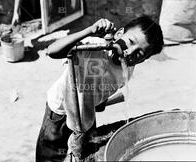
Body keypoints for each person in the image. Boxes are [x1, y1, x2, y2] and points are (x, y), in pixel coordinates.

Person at [36, 15, 164, 162]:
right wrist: (89, 31)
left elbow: (105, 85)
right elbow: (52, 51)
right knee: (51, 155)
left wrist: (100, 101)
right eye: (130, 42)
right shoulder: (93, 47)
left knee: (86, 153)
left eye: (139, 54)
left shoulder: (127, 69)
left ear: (143, 60)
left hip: (87, 112)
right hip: (60, 111)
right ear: (119, 33)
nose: (130, 52)